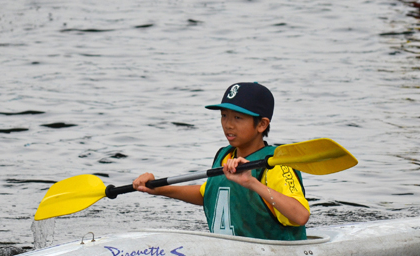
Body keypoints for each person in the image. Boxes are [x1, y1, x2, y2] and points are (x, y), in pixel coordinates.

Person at [132, 83, 310, 241]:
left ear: (262, 124)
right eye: (224, 116)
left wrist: (251, 183)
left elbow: (300, 215)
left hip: (275, 253)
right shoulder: (225, 155)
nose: (228, 125)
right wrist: (158, 189)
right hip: (228, 254)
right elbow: (208, 194)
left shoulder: (274, 164)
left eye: (237, 118)